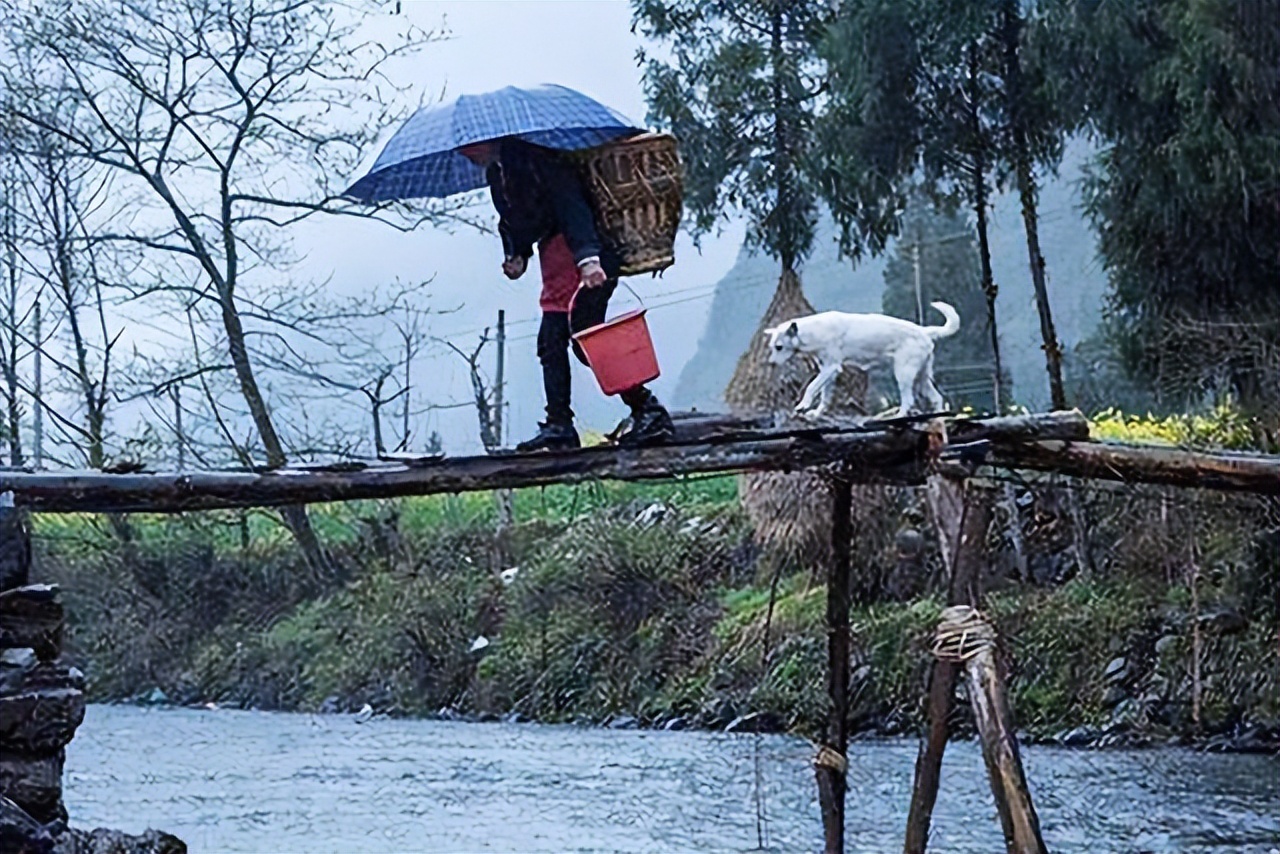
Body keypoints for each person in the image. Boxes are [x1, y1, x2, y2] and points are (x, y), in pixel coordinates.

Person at [458, 137, 675, 452]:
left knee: (578, 341)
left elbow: (570, 204)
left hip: (581, 256)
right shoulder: (499, 174)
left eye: (468, 147)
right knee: (564, 341)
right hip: (556, 261)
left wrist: (589, 259)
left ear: (483, 142)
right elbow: (516, 220)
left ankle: (640, 410)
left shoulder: (539, 160)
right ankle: (569, 422)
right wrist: (517, 253)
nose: (465, 155)